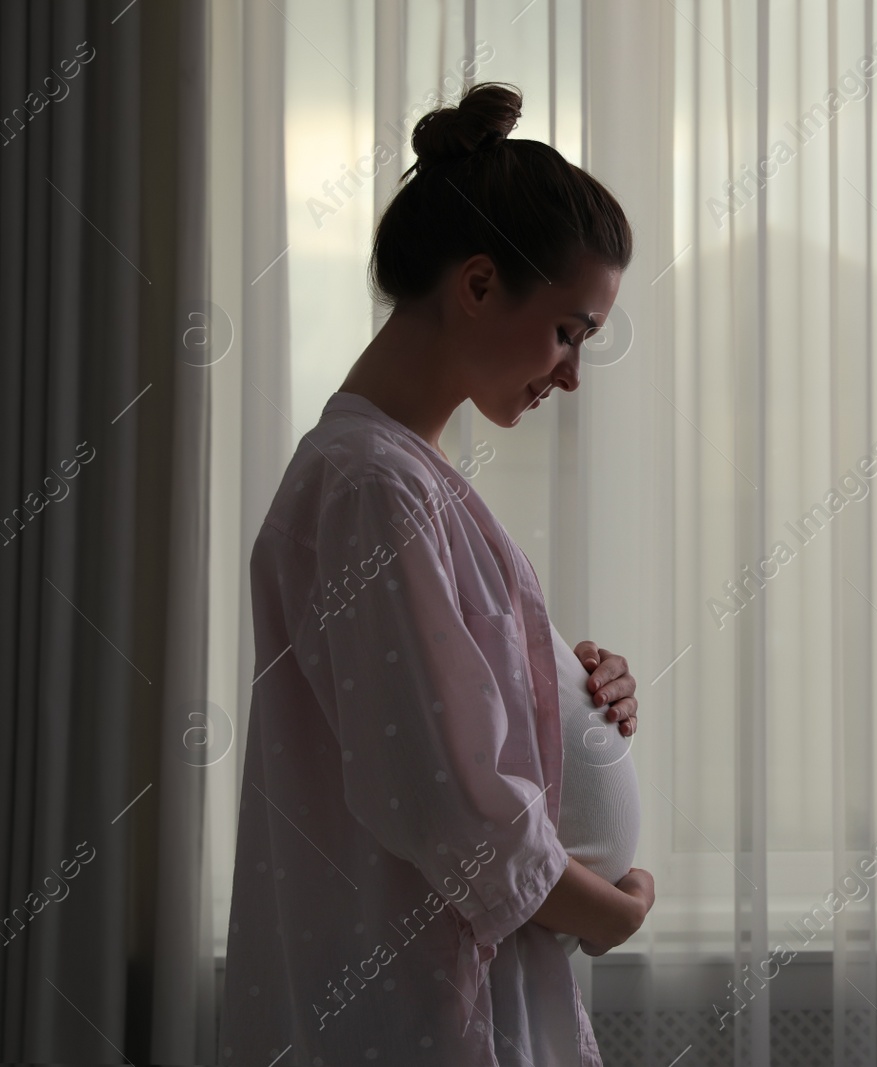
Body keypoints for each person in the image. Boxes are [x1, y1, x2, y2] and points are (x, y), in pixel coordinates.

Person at [220, 81, 650, 1067]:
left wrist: (571, 699)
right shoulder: (369, 485)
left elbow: (443, 721)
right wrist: (611, 913)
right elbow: (444, 799)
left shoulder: (401, 474)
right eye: (570, 330)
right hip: (420, 1012)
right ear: (479, 284)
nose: (572, 372)